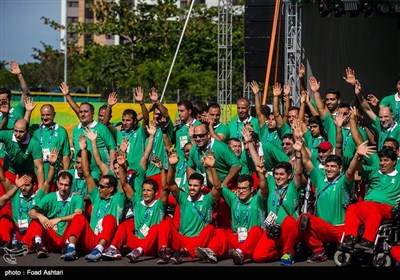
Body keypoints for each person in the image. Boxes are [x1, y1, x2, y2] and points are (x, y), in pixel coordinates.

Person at [195, 130, 268, 265]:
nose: (240, 191)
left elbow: (263, 186)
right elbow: (218, 185)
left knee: (256, 230)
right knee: (222, 232)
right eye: (239, 188)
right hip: (238, 239)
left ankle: (242, 253)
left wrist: (261, 173)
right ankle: (211, 251)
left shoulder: (258, 199)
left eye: (244, 189)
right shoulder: (234, 198)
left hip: (254, 241)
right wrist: (211, 168)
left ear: (251, 190)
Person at [298, 141, 373, 263]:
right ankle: (318, 251)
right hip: (324, 228)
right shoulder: (319, 178)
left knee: (347, 257)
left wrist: (357, 156)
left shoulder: (344, 181)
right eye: (327, 166)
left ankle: (342, 248)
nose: (329, 169)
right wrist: (300, 146)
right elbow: (306, 162)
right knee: (304, 219)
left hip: (341, 229)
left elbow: (350, 171)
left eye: (333, 166)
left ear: (340, 168)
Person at [61, 135, 126, 262]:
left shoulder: (119, 198)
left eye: (102, 186)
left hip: (106, 243)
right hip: (91, 240)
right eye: (99, 186)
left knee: (109, 218)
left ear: (111, 189)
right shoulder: (96, 196)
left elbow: (123, 182)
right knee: (79, 217)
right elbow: (87, 173)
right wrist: (84, 150)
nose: (99, 188)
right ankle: (71, 248)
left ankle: (99, 250)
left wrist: (122, 161)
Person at [155, 149, 220, 264]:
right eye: (190, 185)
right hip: (181, 239)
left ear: (201, 187)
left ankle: (183, 252)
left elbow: (217, 188)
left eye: (195, 186)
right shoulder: (183, 198)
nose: (192, 188)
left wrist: (212, 168)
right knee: (165, 222)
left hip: (197, 241)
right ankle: (164, 252)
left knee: (210, 228)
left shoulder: (207, 200)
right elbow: (171, 184)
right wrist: (172, 166)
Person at [101, 154, 169, 262]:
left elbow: (165, 188)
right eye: (144, 190)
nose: (145, 193)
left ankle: (140, 250)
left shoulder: (159, 204)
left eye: (149, 190)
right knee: (123, 227)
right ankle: (113, 249)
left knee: (156, 228)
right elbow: (124, 184)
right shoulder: (137, 201)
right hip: (137, 243)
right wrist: (122, 166)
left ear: (156, 192)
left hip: (152, 245)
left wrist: (161, 169)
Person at [338, 147, 400, 252]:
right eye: (381, 160)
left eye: (386, 160)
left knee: (375, 210)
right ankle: (350, 239)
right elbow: (357, 168)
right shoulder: (374, 171)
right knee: (353, 208)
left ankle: (368, 241)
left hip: (387, 207)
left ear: (394, 162)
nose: (382, 163)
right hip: (369, 203)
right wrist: (358, 156)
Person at [25, 171, 84, 258]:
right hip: (52, 237)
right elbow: (31, 212)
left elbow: (78, 214)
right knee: (36, 220)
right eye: (61, 184)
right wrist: (40, 216)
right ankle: (39, 246)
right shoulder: (49, 197)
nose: (63, 188)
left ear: (71, 185)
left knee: (76, 219)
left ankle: (68, 247)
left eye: (66, 185)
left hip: (67, 237)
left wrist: (59, 219)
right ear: (57, 183)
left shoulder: (77, 197)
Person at [30, 104, 71, 186]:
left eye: (48, 115)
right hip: (34, 177)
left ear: (54, 115)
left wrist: (65, 173)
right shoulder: (34, 129)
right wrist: (28, 111)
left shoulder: (61, 131)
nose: (45, 117)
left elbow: (66, 155)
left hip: (53, 178)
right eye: (43, 115)